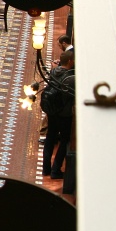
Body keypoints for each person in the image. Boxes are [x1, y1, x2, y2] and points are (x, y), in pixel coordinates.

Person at [43, 51, 75, 179]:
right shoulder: (70, 78)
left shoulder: (53, 72)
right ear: (70, 61)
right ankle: (56, 170)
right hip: (64, 114)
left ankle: (46, 169)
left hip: (52, 112)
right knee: (64, 140)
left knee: (50, 138)